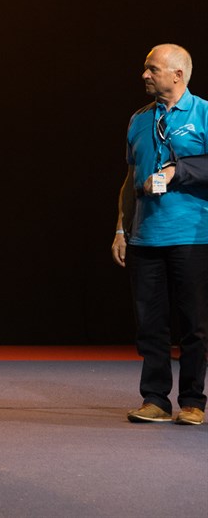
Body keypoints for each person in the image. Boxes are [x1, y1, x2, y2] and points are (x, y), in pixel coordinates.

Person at [111, 44, 208, 426]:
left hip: (193, 237)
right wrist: (121, 228)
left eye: (152, 69)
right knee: (150, 324)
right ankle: (154, 399)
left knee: (194, 325)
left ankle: (193, 401)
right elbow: (130, 178)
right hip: (145, 237)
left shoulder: (204, 113)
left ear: (177, 75)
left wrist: (176, 171)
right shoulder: (139, 119)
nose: (144, 75)